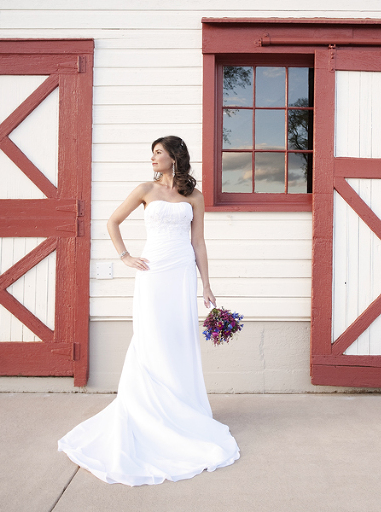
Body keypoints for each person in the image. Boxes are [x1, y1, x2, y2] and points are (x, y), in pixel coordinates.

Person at [58, 136, 240, 486]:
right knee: (151, 337)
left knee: (178, 340)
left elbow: (198, 241)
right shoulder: (145, 189)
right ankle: (147, 412)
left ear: (175, 157)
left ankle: (180, 410)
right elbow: (113, 222)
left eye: (159, 153)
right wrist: (125, 256)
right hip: (153, 272)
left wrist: (206, 284)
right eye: (152, 153)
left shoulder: (194, 196)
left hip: (182, 272)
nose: (153, 158)